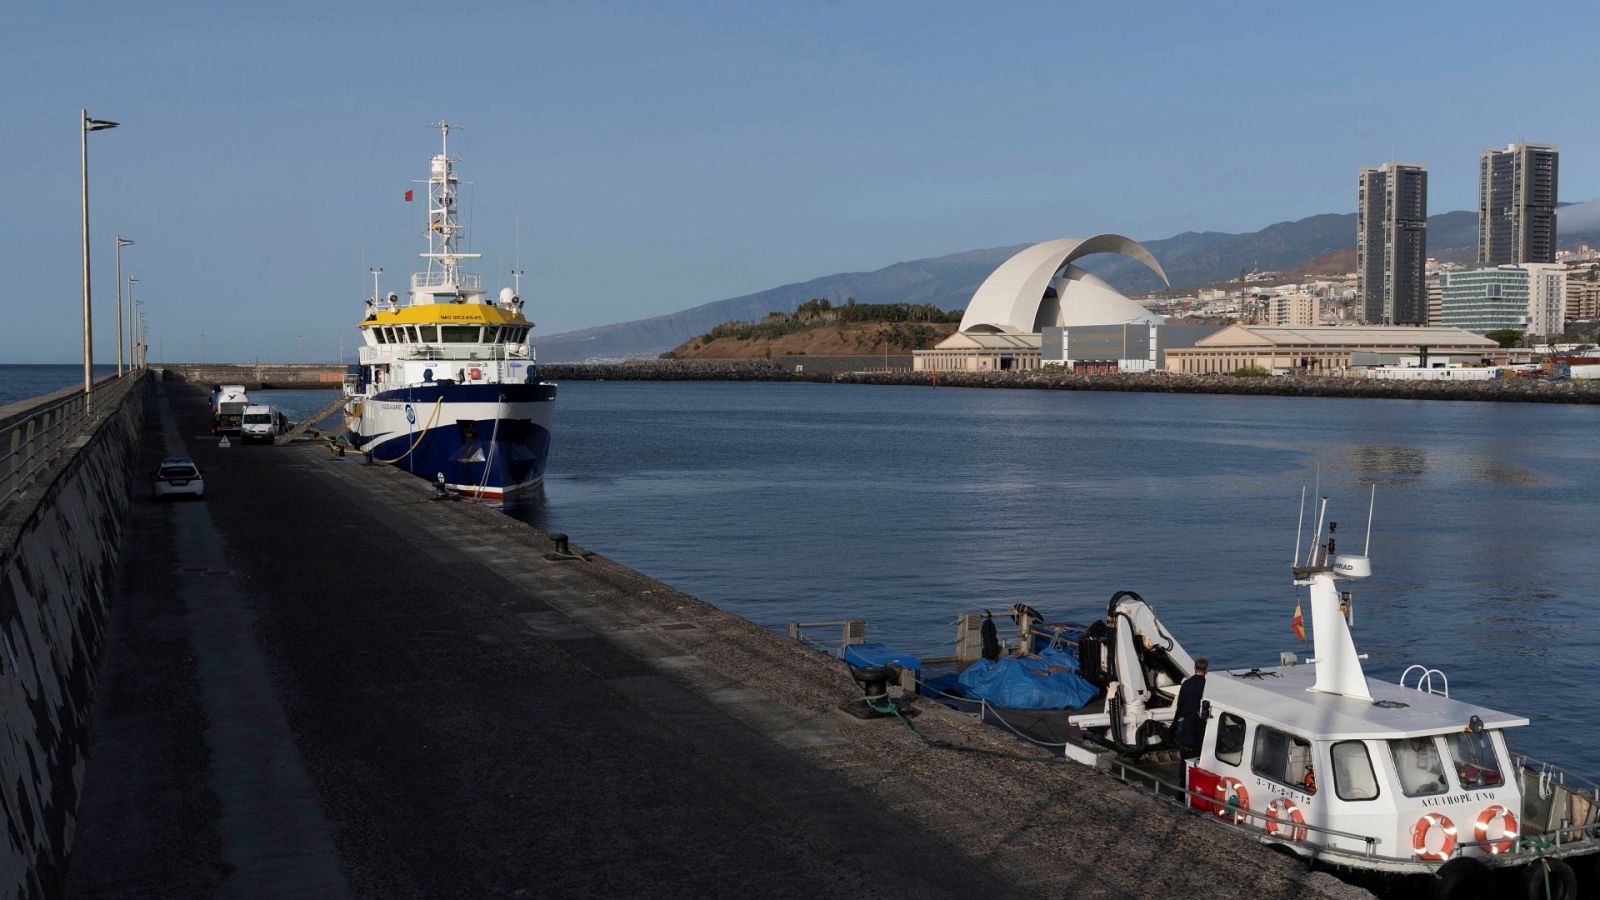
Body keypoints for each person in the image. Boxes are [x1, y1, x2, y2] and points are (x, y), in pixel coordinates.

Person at [1175, 658, 1209, 764]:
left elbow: (1180, 703)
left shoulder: (1186, 683)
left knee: (1186, 751)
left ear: (1194, 668)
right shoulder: (1206, 685)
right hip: (1200, 721)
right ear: (1206, 670)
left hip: (1187, 720)